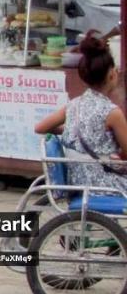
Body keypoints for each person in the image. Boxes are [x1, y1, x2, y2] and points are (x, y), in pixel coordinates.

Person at [35, 33, 127, 190]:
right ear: (112, 74)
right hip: (107, 184)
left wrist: (74, 131)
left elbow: (40, 128)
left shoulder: (74, 105)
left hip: (77, 180)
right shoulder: (112, 113)